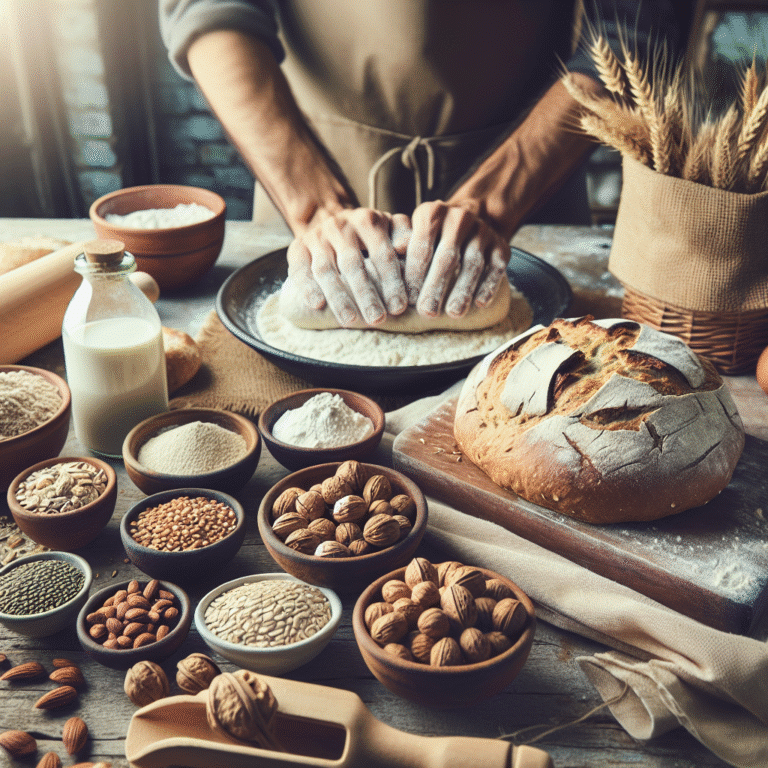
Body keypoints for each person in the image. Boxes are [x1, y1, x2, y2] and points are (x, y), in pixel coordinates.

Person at [160, 0, 693, 327]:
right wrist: (315, 210)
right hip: (302, 165)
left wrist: (492, 206)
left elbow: (633, 32)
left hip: (532, 188)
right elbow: (209, 9)